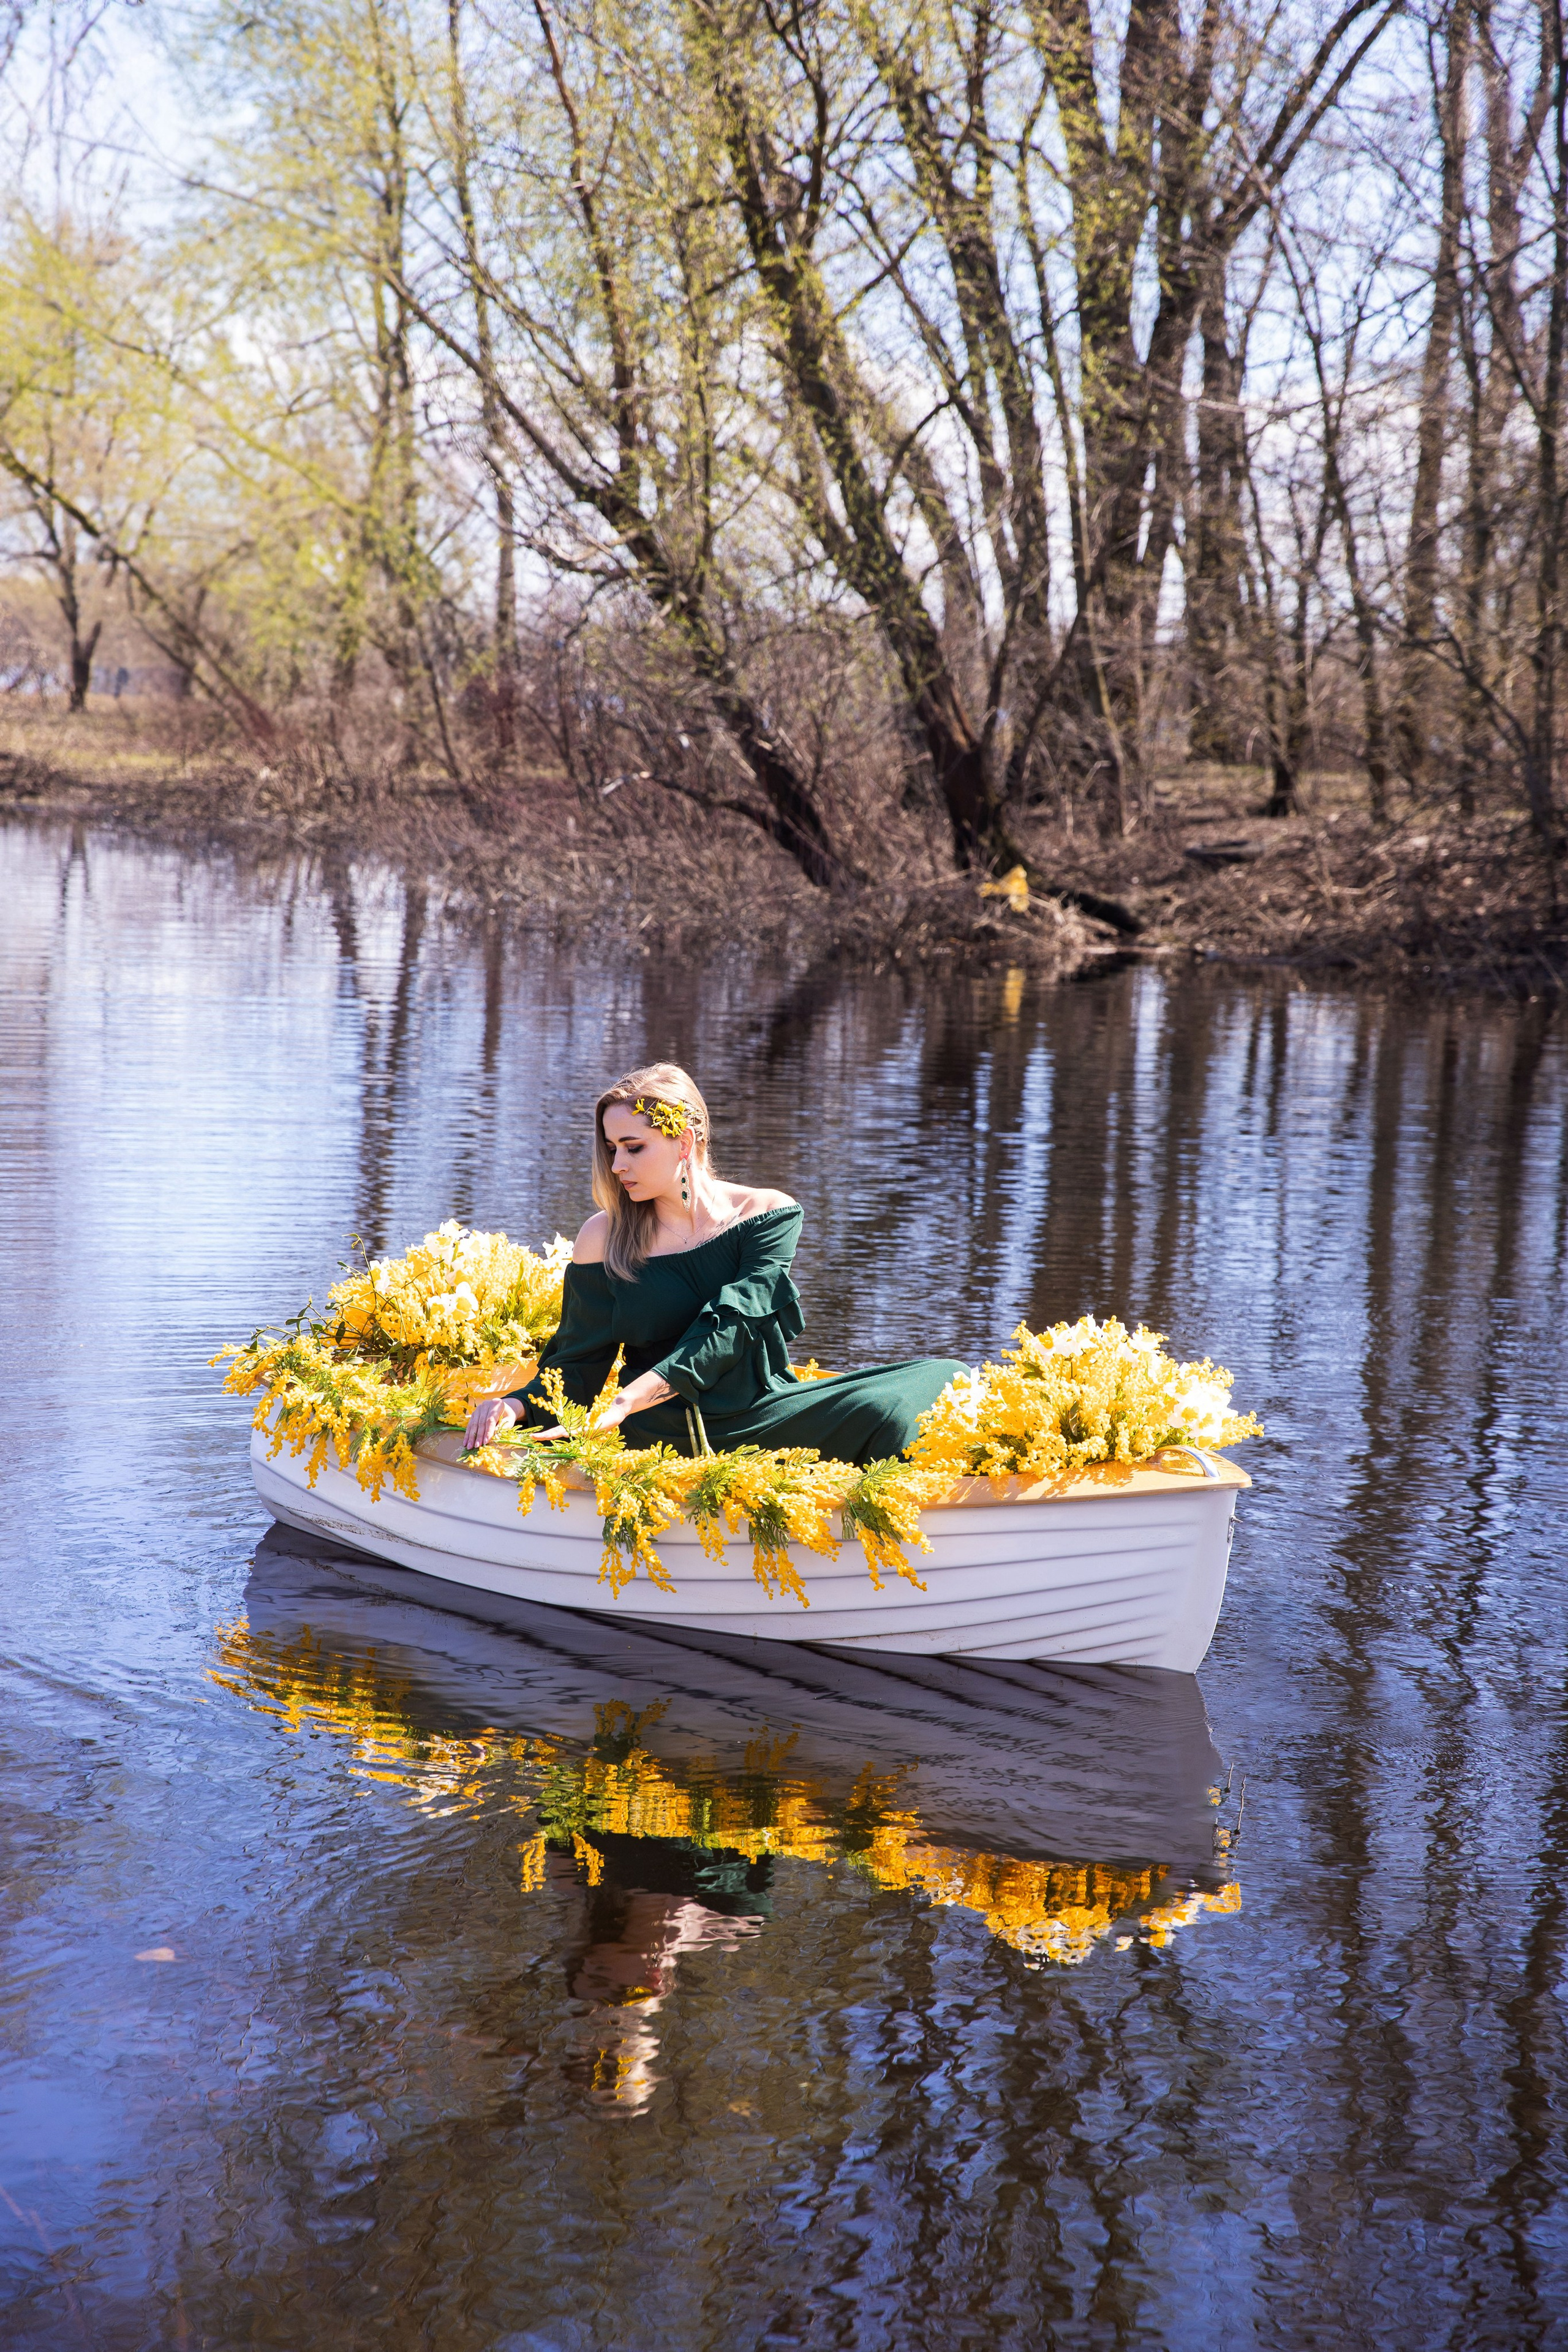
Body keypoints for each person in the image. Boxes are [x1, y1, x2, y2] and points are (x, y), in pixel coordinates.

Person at [462, 1060, 966, 1465]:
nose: (617, 1166)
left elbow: (728, 1329)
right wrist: (515, 1405)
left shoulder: (767, 1215)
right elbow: (577, 1361)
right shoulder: (604, 1235)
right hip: (669, 1426)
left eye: (634, 1148)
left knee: (947, 1374)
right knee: (886, 1415)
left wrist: (624, 1399)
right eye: (612, 1148)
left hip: (764, 1407)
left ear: (684, 1142)